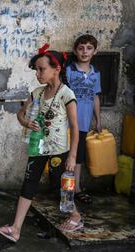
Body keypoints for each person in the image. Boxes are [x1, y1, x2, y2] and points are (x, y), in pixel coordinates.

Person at [0, 44, 80, 242]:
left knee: (61, 185)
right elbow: (21, 114)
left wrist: (73, 156)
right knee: (29, 183)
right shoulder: (37, 93)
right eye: (37, 70)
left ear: (56, 69)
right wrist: (26, 121)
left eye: (42, 69)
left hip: (59, 150)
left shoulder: (67, 94)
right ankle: (15, 229)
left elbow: (75, 127)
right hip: (38, 147)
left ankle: (75, 215)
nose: (38, 73)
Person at [66, 34, 101, 204]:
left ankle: (76, 188)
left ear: (94, 51)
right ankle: (62, 187)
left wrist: (98, 120)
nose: (84, 51)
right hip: (67, 122)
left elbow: (95, 97)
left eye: (89, 48)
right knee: (65, 154)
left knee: (78, 156)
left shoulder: (95, 73)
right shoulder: (69, 70)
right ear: (75, 50)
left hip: (84, 122)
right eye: (81, 48)